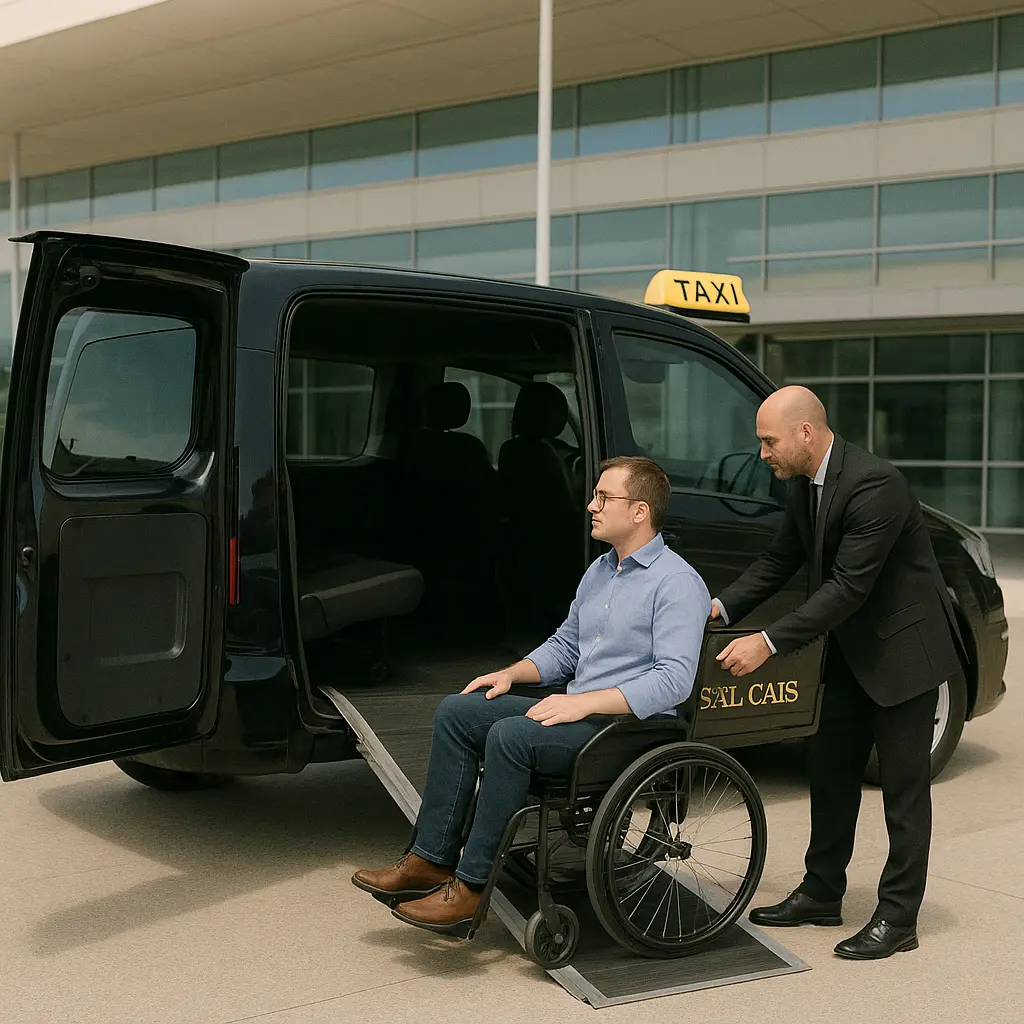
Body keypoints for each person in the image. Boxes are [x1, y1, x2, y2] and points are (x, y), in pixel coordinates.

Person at [351, 455, 711, 933]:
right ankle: (429, 859)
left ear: (640, 511)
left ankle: (471, 887)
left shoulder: (678, 583)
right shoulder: (602, 571)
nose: (591, 505)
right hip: (580, 714)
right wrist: (511, 674)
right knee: (458, 710)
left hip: (628, 730)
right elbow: (565, 646)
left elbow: (673, 680)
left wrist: (581, 701)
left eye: (604, 497)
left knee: (510, 736)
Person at [712, 386, 965, 961]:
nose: (762, 453)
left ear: (805, 433)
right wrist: (720, 608)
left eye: (768, 440)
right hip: (852, 654)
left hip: (905, 656)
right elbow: (782, 559)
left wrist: (768, 643)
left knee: (903, 790)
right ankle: (822, 893)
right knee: (828, 770)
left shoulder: (876, 485)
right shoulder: (803, 483)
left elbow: (849, 585)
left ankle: (899, 917)